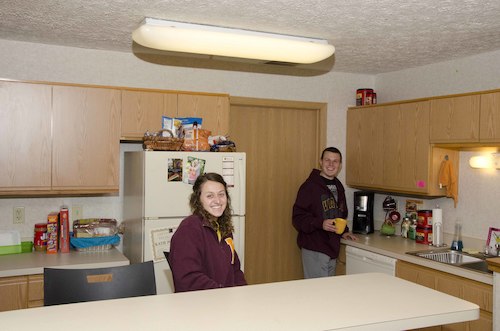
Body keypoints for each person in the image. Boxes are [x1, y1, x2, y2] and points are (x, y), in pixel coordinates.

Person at [169, 172, 247, 292]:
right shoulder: (189, 229)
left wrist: (244, 293)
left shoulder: (223, 228)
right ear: (198, 200)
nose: (217, 200)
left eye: (221, 194)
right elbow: (188, 278)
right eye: (210, 196)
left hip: (224, 301)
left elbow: (235, 270)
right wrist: (221, 294)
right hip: (199, 304)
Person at [292, 147, 357, 278]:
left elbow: (341, 214)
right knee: (317, 293)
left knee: (327, 293)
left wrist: (344, 231)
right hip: (315, 247)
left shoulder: (338, 186)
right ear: (320, 162)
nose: (331, 164)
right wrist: (320, 223)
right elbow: (297, 218)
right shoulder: (309, 187)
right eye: (327, 160)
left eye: (335, 161)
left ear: (340, 165)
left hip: (332, 247)